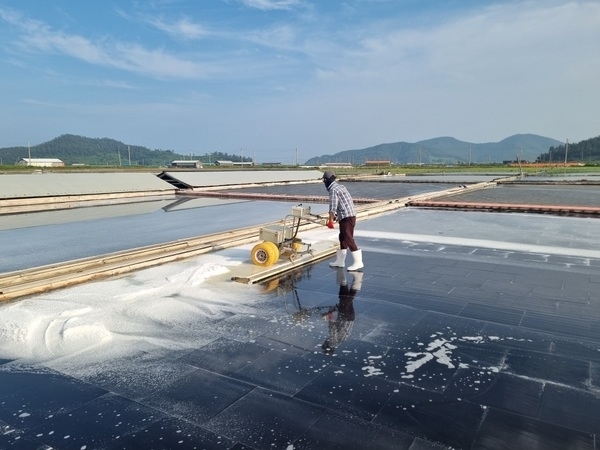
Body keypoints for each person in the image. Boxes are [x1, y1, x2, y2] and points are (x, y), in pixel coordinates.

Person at [322, 170, 364, 271]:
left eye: (324, 180)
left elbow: (333, 207)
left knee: (348, 238)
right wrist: (337, 216)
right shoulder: (341, 187)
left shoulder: (333, 190)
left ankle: (358, 262)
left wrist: (331, 221)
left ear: (326, 180)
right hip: (349, 215)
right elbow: (342, 204)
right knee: (343, 238)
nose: (324, 182)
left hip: (347, 217)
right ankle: (340, 261)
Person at [321, 269, 363, 354]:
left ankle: (357, 278)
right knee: (344, 297)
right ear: (327, 347)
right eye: (324, 345)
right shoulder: (333, 343)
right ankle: (343, 275)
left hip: (349, 318)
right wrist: (329, 316)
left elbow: (337, 326)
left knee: (347, 298)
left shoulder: (339, 342)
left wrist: (334, 310)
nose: (324, 342)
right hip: (346, 317)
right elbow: (333, 328)